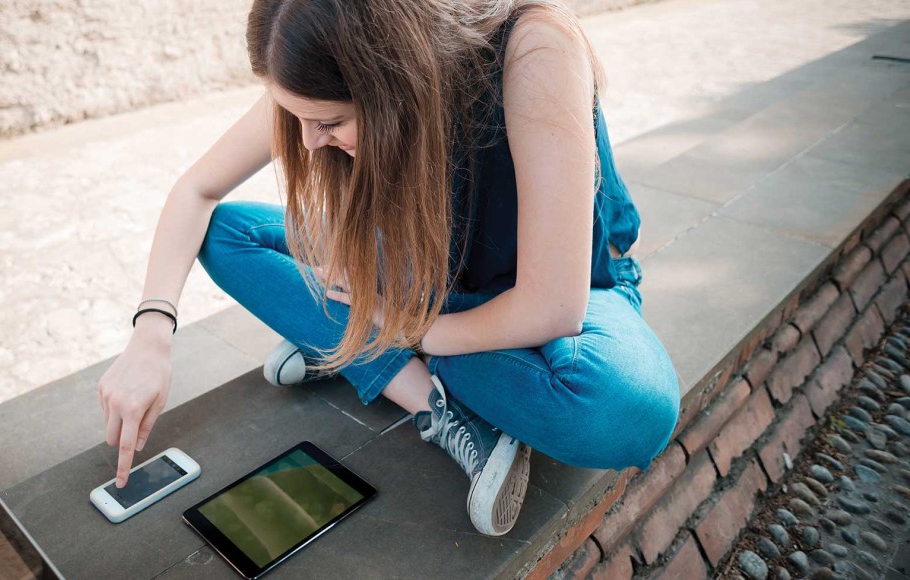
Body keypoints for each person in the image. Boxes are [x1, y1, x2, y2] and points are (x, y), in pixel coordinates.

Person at [97, 0, 681, 537]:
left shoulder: (534, 49)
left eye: (329, 122)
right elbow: (198, 190)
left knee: (627, 414)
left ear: (391, 79)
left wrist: (399, 327)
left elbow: (553, 305)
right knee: (227, 233)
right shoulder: (313, 67)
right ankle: (428, 401)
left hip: (558, 294)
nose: (308, 143)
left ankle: (352, 344)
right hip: (421, 273)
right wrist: (150, 335)